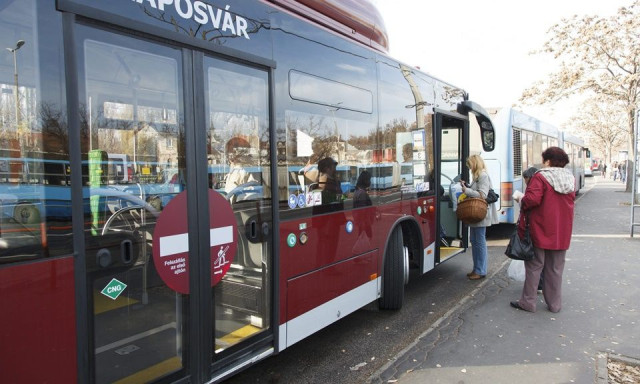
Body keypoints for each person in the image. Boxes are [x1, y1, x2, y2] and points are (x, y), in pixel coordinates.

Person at [510, 147, 575, 313]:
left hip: (540, 228)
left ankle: (528, 302)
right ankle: (554, 305)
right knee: (555, 268)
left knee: (534, 266)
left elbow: (532, 200)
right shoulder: (570, 178)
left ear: (547, 160)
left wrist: (521, 199)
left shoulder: (541, 177)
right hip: (562, 231)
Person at [461, 154, 499, 280]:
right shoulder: (477, 176)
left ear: (475, 163)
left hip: (480, 213)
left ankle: (480, 270)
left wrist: (467, 191)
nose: (469, 167)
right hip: (476, 214)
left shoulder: (482, 175)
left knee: (479, 242)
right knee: (475, 241)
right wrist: (467, 186)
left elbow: (482, 194)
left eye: (470, 164)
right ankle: (477, 268)